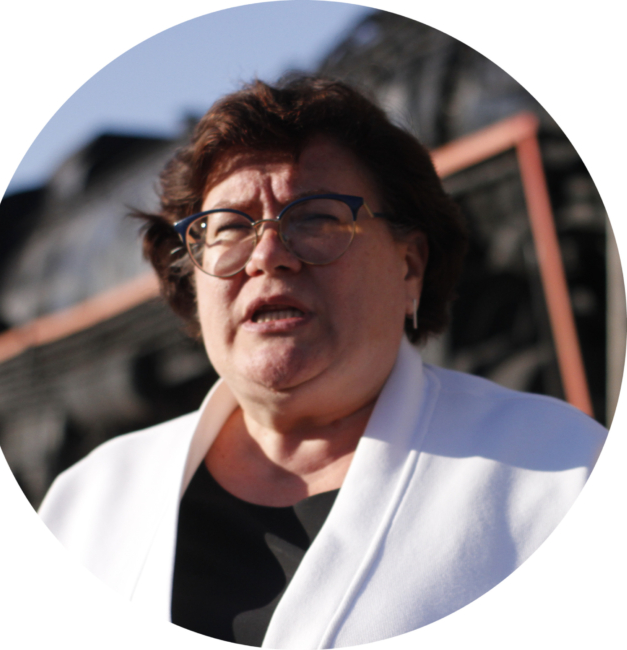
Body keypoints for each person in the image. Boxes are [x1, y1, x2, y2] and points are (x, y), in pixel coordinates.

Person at [39, 76, 606, 648]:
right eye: (230, 227)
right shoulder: (88, 504)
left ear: (409, 265)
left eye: (314, 218)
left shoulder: (559, 473)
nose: (267, 256)